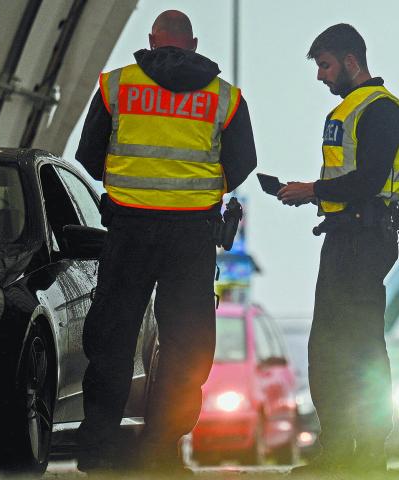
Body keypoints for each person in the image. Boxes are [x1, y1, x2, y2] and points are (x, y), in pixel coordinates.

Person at [74, 10, 256, 475]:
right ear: (192, 44)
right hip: (191, 234)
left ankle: (98, 449)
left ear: (152, 40)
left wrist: (132, 184)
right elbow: (242, 163)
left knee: (113, 339)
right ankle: (161, 451)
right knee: (185, 345)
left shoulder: (117, 86)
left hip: (128, 229)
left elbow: (88, 156)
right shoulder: (225, 97)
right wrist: (193, 188)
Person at [277, 23, 399, 475]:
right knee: (332, 348)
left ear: (351, 62)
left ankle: (368, 451)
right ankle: (339, 450)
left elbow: (369, 180)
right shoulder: (354, 109)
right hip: (343, 235)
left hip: (364, 237)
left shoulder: (382, 110)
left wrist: (311, 189)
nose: (321, 76)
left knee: (360, 347)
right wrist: (313, 194)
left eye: (325, 65)